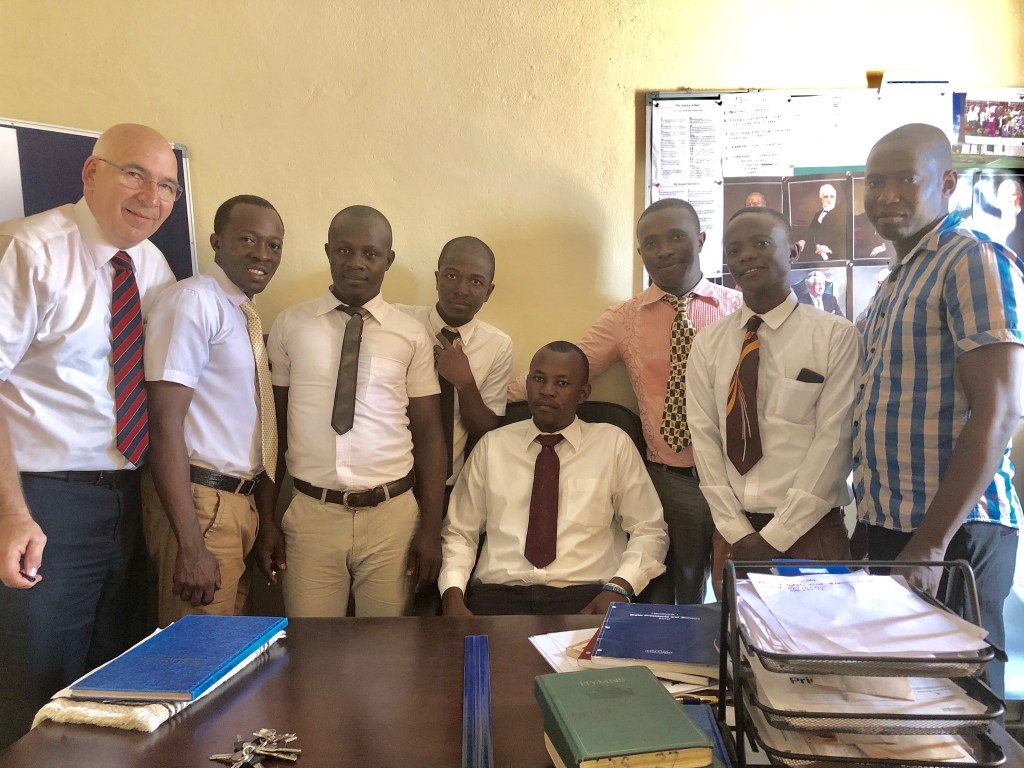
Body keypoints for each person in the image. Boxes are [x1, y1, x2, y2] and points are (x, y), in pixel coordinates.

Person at [0, 123, 179, 748]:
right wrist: (11, 514)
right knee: (35, 684)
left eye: (167, 186)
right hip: (43, 501)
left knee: (110, 684)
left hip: (125, 497)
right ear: (91, 172)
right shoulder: (31, 250)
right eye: (135, 174)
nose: (151, 196)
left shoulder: (152, 265)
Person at [856, 123, 1024, 699]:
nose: (887, 195)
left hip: (954, 532)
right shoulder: (896, 279)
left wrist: (931, 543)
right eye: (875, 182)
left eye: (906, 179)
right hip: (898, 526)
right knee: (908, 702)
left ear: (947, 183)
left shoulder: (972, 260)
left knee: (961, 708)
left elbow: (999, 411)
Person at [507, 199, 742, 604]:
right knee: (681, 595)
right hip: (673, 480)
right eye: (651, 243)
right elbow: (570, 371)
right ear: (640, 252)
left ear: (701, 240)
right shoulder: (625, 318)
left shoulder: (738, 309)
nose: (663, 250)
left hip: (739, 476)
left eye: (675, 237)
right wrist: (481, 393)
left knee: (739, 590)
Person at [260, 205, 446, 618]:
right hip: (311, 515)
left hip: (392, 519)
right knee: (312, 645)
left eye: (370, 253)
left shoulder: (411, 334)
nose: (356, 262)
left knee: (386, 648)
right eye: (344, 250)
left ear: (388, 259)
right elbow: (274, 430)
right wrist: (266, 517)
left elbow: (429, 433)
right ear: (328, 251)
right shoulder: (291, 325)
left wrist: (432, 528)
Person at [688, 207, 860, 596]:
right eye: (734, 250)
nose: (746, 255)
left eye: (762, 243)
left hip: (811, 532)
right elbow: (704, 439)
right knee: (735, 635)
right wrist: (737, 532)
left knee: (819, 634)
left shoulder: (835, 335)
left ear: (793, 251)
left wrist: (775, 537)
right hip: (734, 535)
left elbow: (835, 442)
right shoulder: (709, 343)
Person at [441, 341, 668, 615]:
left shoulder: (613, 445)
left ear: (583, 394)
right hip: (498, 596)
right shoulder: (492, 446)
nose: (547, 390)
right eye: (538, 379)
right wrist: (452, 595)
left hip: (586, 597)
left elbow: (650, 529)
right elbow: (459, 533)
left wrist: (619, 588)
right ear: (528, 384)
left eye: (561, 383)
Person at [143, 195, 284, 627]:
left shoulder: (242, 312)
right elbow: (164, 423)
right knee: (195, 651)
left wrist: (259, 516)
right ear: (216, 241)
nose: (263, 254)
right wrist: (191, 545)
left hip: (237, 503)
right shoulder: (193, 301)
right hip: (200, 505)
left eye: (274, 245)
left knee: (225, 650)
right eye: (248, 239)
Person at [396, 236, 513, 501]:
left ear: (489, 292)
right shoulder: (399, 322)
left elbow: (485, 428)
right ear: (437, 279)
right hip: (392, 480)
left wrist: (465, 382)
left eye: (476, 281)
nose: (461, 289)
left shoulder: (498, 345)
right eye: (451, 276)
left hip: (452, 486)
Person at [797, 183, 847, 261]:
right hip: (816, 252)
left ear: (835, 198)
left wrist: (829, 249)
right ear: (821, 199)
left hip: (833, 255)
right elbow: (811, 231)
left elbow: (844, 237)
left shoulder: (841, 214)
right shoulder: (818, 214)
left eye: (832, 196)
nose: (829, 200)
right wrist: (803, 241)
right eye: (826, 197)